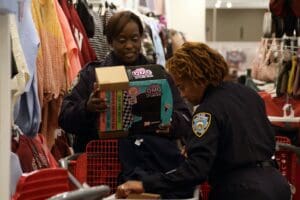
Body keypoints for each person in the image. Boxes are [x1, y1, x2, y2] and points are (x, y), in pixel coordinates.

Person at [116, 42, 292, 200]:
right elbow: (255, 142)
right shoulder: (249, 95)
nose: (183, 95)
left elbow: (196, 171)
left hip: (241, 191)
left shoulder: (205, 112)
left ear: (197, 78)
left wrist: (145, 184)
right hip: (278, 185)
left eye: (182, 87)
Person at [58, 11, 194, 199]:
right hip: (103, 171)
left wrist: (171, 123)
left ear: (141, 39)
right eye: (122, 40)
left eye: (134, 39)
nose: (129, 46)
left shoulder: (158, 75)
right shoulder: (91, 75)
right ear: (110, 41)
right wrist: (87, 107)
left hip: (152, 170)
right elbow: (64, 118)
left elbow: (186, 118)